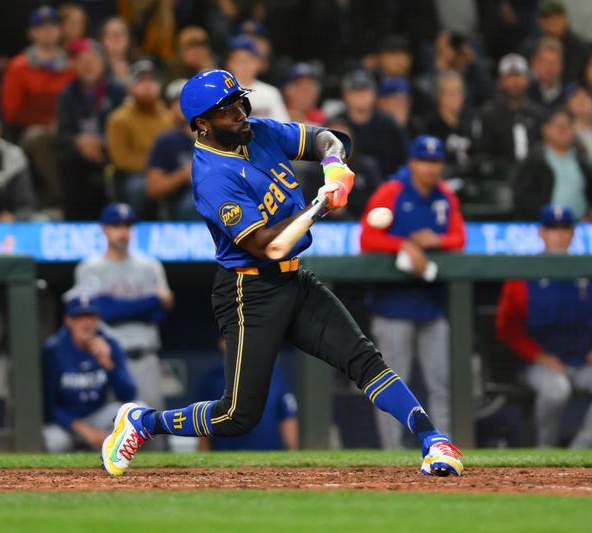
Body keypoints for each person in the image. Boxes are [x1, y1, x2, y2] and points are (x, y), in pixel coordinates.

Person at [100, 69, 463, 478]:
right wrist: (319, 206)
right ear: (202, 123)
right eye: (226, 109)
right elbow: (267, 246)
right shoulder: (211, 176)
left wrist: (332, 165)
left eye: (240, 101)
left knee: (363, 358)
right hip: (248, 290)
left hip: (293, 279)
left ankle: (433, 440)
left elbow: (330, 137)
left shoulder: (259, 131)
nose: (239, 112)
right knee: (237, 416)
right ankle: (144, 423)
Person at [360, 135, 466, 450]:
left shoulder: (444, 195)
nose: (430, 168)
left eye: (436, 162)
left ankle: (442, 449)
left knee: (441, 384)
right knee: (393, 384)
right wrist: (403, 244)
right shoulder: (392, 190)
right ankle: (392, 453)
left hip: (431, 304)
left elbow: (459, 237)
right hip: (393, 305)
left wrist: (437, 241)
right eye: (424, 161)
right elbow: (366, 238)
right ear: (412, 162)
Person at [496, 204, 592, 448]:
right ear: (541, 233)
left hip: (581, 361)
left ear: (572, 233)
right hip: (538, 363)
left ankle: (581, 448)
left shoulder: (585, 271)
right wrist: (538, 356)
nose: (558, 234)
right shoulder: (523, 272)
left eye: (564, 228)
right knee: (557, 390)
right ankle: (545, 451)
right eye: (552, 228)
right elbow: (507, 328)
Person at [71, 203, 174, 424]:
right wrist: (150, 301)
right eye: (116, 226)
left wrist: (118, 307)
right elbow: (103, 312)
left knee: (154, 429)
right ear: (104, 229)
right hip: (109, 362)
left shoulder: (150, 266)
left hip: (146, 358)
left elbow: (159, 314)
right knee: (113, 430)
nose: (123, 232)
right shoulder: (89, 268)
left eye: (127, 226)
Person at [0, 5, 76, 212]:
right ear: (31, 32)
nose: (47, 30)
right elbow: (11, 111)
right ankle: (60, 199)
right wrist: (45, 121)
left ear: (60, 31)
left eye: (52, 25)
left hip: (65, 131)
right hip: (28, 134)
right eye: (41, 26)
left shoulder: (71, 66)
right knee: (38, 137)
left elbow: (76, 103)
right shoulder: (18, 66)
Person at [42, 297, 137, 453]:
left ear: (97, 319)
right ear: (68, 321)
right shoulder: (54, 350)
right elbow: (48, 407)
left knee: (137, 412)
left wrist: (108, 363)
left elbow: (129, 395)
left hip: (98, 417)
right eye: (79, 317)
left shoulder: (109, 345)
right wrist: (84, 430)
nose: (86, 323)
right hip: (66, 424)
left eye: (90, 317)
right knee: (56, 442)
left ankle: (108, 457)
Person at [56, 38, 126, 220]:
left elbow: (125, 127)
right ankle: (72, 221)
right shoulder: (67, 94)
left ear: (102, 64)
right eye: (82, 62)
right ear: (75, 66)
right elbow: (63, 133)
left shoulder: (118, 91)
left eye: (92, 61)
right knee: (67, 160)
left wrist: (102, 141)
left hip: (111, 149)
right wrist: (80, 142)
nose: (88, 66)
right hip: (79, 154)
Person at [198, 339, 298, 452]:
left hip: (267, 453)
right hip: (225, 455)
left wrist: (292, 450)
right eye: (231, 338)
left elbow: (286, 416)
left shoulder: (272, 373)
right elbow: (204, 420)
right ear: (221, 344)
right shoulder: (212, 378)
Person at [514, 107, 592, 222]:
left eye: (568, 125)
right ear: (545, 129)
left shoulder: (581, 159)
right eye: (557, 125)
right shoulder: (534, 160)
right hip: (546, 226)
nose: (563, 129)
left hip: (580, 223)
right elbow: (523, 199)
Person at [105, 59, 173, 217]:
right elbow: (120, 158)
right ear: (130, 87)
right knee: (139, 187)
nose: (148, 86)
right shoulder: (119, 118)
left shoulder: (168, 117)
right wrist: (154, 169)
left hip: (166, 174)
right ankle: (134, 229)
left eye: (152, 81)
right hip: (133, 174)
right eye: (141, 81)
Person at [474, 53, 545, 182]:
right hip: (500, 179)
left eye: (519, 76)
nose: (515, 82)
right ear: (500, 81)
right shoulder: (488, 114)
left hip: (535, 179)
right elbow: (483, 154)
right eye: (510, 77)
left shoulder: (538, 114)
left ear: (527, 79)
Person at [332, 70, 408, 178]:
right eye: (355, 91)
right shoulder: (336, 125)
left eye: (365, 90)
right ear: (345, 95)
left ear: (374, 94)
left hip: (386, 185)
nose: (361, 96)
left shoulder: (389, 126)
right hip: (343, 184)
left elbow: (403, 162)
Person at [145, 79, 197, 220]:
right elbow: (153, 188)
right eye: (177, 102)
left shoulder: (216, 135)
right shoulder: (166, 141)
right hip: (183, 203)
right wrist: (183, 174)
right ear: (169, 108)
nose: (182, 106)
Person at [225, 36, 290, 122]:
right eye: (239, 60)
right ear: (229, 63)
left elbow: (283, 126)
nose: (245, 65)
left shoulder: (271, 92)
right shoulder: (223, 92)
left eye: (249, 60)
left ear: (258, 63)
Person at [527, 37, 565, 109]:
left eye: (555, 62)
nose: (550, 67)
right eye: (544, 62)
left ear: (561, 66)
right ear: (533, 63)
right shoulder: (522, 88)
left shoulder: (567, 94)